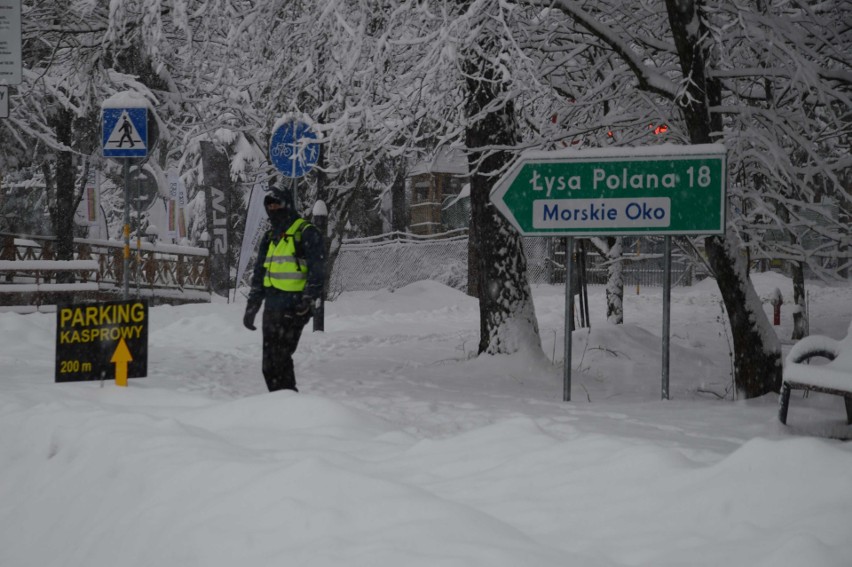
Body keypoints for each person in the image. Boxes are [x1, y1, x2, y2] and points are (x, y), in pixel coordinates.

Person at [243, 186, 326, 392]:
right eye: (269, 205)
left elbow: (318, 269)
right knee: (268, 366)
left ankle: (289, 405)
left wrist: (307, 299)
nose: (273, 208)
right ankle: (279, 406)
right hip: (272, 306)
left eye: (277, 203)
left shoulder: (304, 232)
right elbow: (260, 273)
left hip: (295, 306)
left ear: (287, 204)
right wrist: (252, 306)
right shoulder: (270, 236)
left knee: (280, 360)